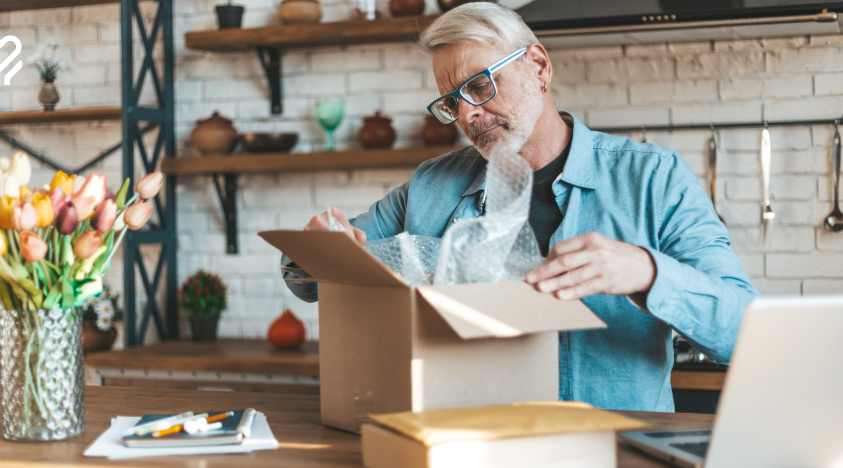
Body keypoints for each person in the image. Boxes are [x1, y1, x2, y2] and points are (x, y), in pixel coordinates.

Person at [281, 3, 759, 412]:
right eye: (452, 102)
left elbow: (748, 333)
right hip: (470, 446)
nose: (467, 114)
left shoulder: (653, 179)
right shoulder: (431, 185)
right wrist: (316, 249)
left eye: (481, 85)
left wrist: (648, 272)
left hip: (614, 448)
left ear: (539, 66)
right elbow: (310, 279)